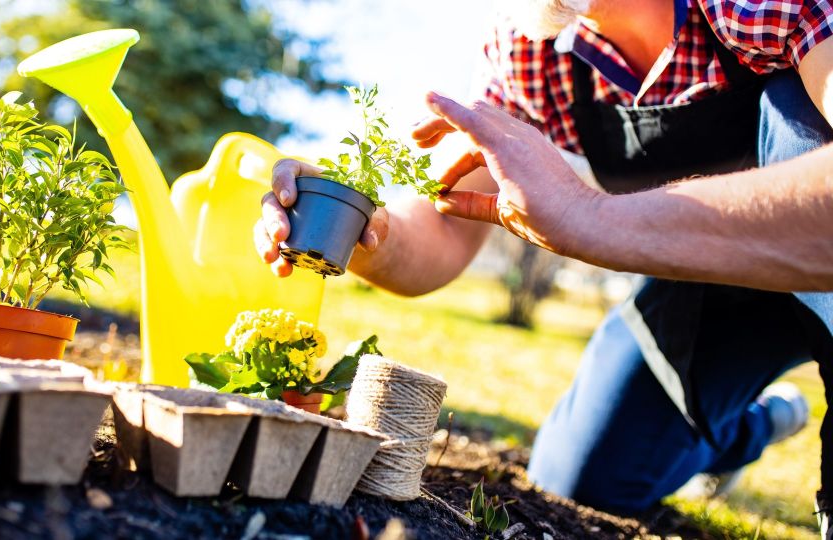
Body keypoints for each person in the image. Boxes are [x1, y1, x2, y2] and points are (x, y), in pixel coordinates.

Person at [255, 0, 833, 525]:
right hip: (710, 284)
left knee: (793, 105)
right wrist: (358, 223)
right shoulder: (531, 48)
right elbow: (445, 224)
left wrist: (588, 218)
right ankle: (755, 424)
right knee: (579, 479)